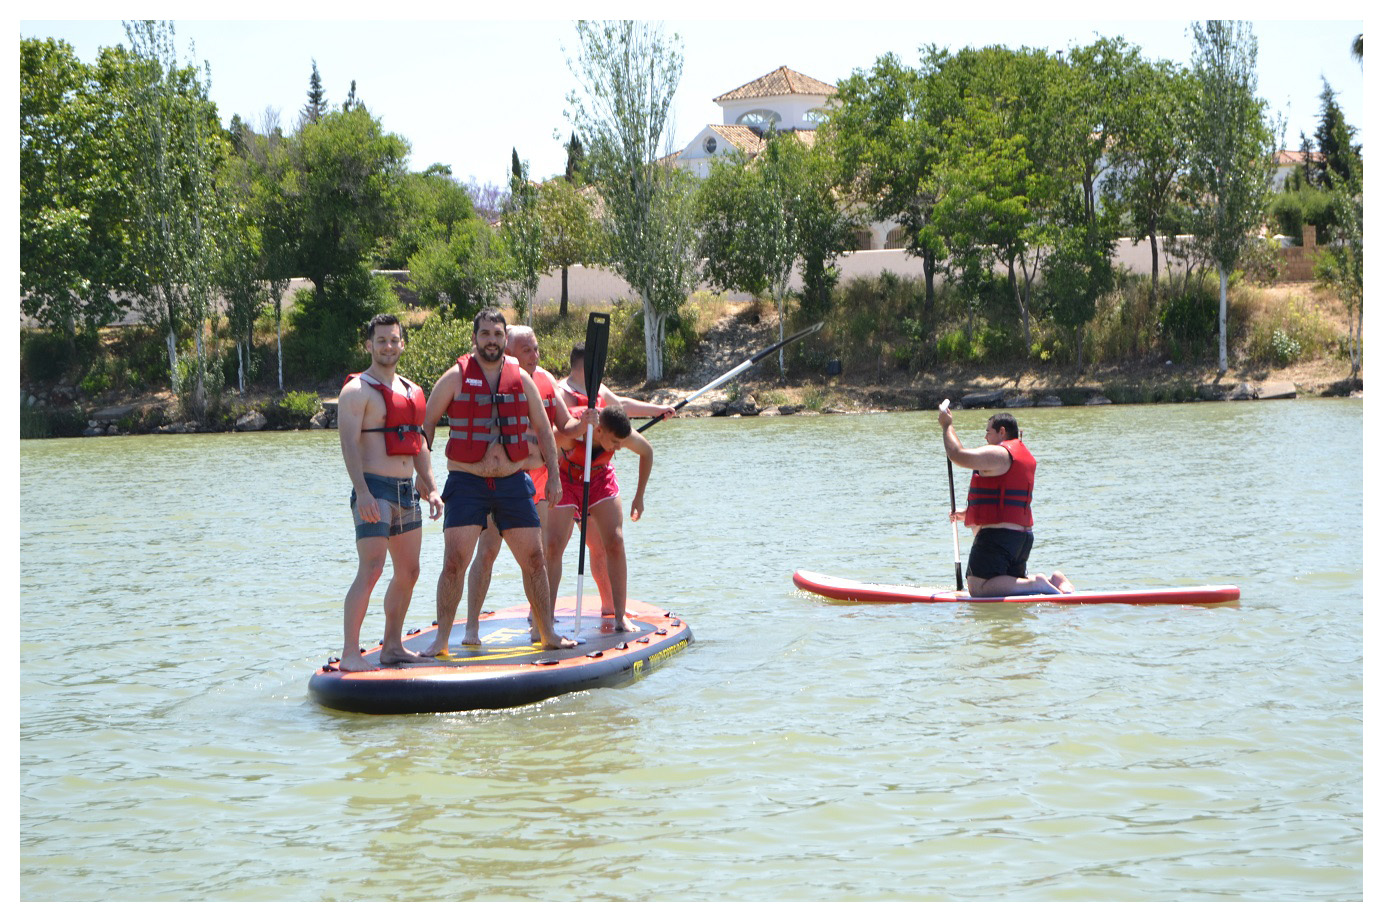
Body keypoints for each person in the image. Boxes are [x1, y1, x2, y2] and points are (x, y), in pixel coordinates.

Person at [421, 309, 576, 652]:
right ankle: (442, 639)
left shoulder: (520, 378)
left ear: (505, 339)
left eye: (497, 334)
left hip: (512, 483)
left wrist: (552, 476)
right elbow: (426, 426)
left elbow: (544, 431)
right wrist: (425, 477)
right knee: (453, 563)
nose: (491, 339)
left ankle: (548, 633)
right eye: (485, 333)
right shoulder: (454, 377)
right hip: (467, 482)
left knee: (535, 560)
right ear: (474, 338)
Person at [336, 313, 445, 672]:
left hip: (405, 491)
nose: (388, 346)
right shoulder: (356, 391)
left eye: (394, 340)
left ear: (403, 344)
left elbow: (420, 444)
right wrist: (362, 492)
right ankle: (351, 652)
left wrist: (429, 486)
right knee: (371, 568)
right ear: (369, 346)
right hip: (375, 489)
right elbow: (349, 445)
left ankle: (392, 646)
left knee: (409, 571)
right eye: (381, 341)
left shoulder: (413, 391)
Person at [463, 325, 585, 641]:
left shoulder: (544, 381)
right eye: (527, 349)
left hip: (540, 480)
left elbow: (564, 425)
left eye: (536, 348)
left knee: (537, 556)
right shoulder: (493, 382)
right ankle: (472, 626)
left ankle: (539, 624)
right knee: (487, 550)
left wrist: (583, 421)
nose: (535, 355)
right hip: (501, 481)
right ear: (508, 352)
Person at [547, 342, 668, 631]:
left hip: (600, 478)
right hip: (565, 476)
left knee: (612, 541)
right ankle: (544, 615)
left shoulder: (608, 410)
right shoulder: (562, 394)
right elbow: (549, 439)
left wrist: (639, 496)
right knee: (552, 546)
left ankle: (618, 613)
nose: (619, 447)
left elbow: (643, 444)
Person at [938, 406, 1075, 597]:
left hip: (998, 539)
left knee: (978, 588)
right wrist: (967, 514)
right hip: (1021, 539)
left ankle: (1036, 583)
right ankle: (1055, 581)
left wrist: (947, 426)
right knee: (1005, 586)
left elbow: (957, 454)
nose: (986, 438)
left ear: (1002, 431)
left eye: (988, 432)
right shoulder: (1023, 456)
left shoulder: (1001, 454)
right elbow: (1003, 500)